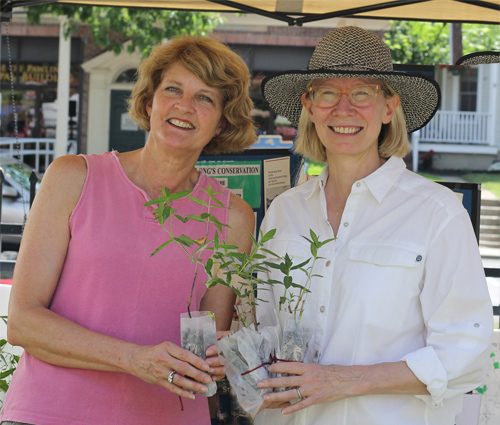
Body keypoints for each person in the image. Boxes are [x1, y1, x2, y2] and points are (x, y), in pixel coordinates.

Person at [0, 36, 256, 425]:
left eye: (205, 98)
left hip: (169, 417)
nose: (184, 106)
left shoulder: (233, 216)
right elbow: (23, 322)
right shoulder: (73, 177)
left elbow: (207, 344)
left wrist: (225, 355)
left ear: (222, 120)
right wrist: (134, 359)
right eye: (173, 89)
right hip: (50, 412)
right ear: (150, 101)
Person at [254, 26, 493, 425]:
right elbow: (266, 328)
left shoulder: (437, 212)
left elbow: (465, 354)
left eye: (362, 93)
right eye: (328, 93)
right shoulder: (284, 211)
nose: (343, 109)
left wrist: (343, 381)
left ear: (388, 108)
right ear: (309, 106)